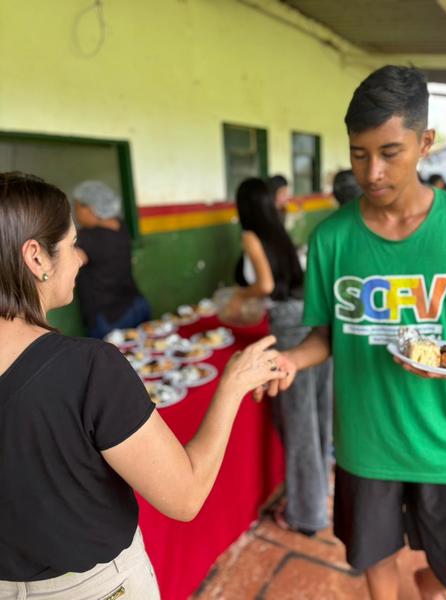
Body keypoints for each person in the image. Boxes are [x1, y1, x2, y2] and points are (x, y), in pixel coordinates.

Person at [0, 172, 287, 599]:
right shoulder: (87, 367)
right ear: (36, 258)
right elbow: (185, 496)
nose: (79, 260)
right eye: (73, 245)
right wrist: (232, 384)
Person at [258, 65, 446, 600]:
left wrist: (443, 358)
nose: (373, 172)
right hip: (366, 442)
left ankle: (430, 582)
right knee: (374, 555)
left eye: (390, 152)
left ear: (425, 143)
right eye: (359, 154)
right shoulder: (333, 238)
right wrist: (293, 360)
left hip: (443, 442)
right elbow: (327, 335)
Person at [230, 177, 332, 536]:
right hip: (313, 324)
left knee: (299, 425)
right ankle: (317, 494)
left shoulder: (250, 235)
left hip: (288, 332)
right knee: (318, 419)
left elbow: (266, 286)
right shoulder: (278, 230)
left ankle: (307, 515)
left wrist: (240, 297)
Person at [73, 180, 150, 338]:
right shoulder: (121, 226)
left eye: (77, 207)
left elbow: (72, 261)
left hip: (110, 317)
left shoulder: (88, 238)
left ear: (90, 208)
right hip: (137, 304)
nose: (75, 213)